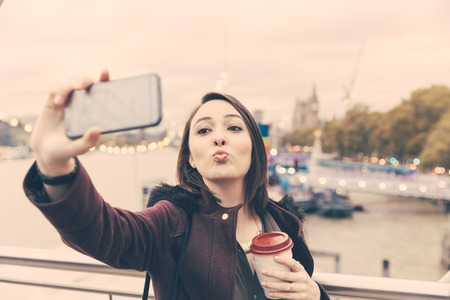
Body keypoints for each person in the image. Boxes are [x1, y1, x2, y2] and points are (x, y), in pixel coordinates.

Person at [23, 70, 330, 300]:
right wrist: (54, 167)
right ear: (191, 159)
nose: (218, 137)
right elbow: (101, 231)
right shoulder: (171, 222)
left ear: (254, 150)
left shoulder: (285, 223)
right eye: (204, 130)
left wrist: (316, 295)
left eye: (234, 127)